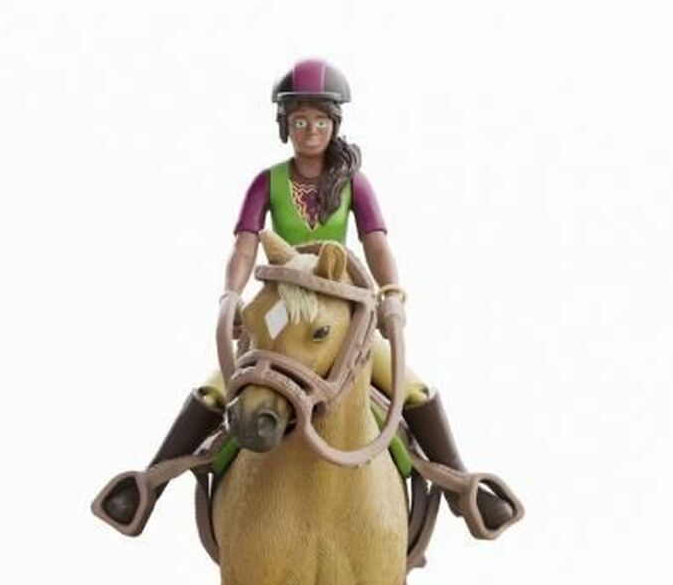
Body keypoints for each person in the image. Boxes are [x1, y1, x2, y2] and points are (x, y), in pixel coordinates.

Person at [98, 58, 513, 533]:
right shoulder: (267, 181)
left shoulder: (354, 184)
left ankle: (460, 487)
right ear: (285, 126)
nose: (310, 131)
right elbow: (245, 244)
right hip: (281, 309)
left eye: (319, 121)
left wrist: (391, 293)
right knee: (215, 390)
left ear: (334, 125)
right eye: (299, 122)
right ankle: (149, 486)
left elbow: (376, 243)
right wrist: (231, 295)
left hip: (339, 316)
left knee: (413, 389)